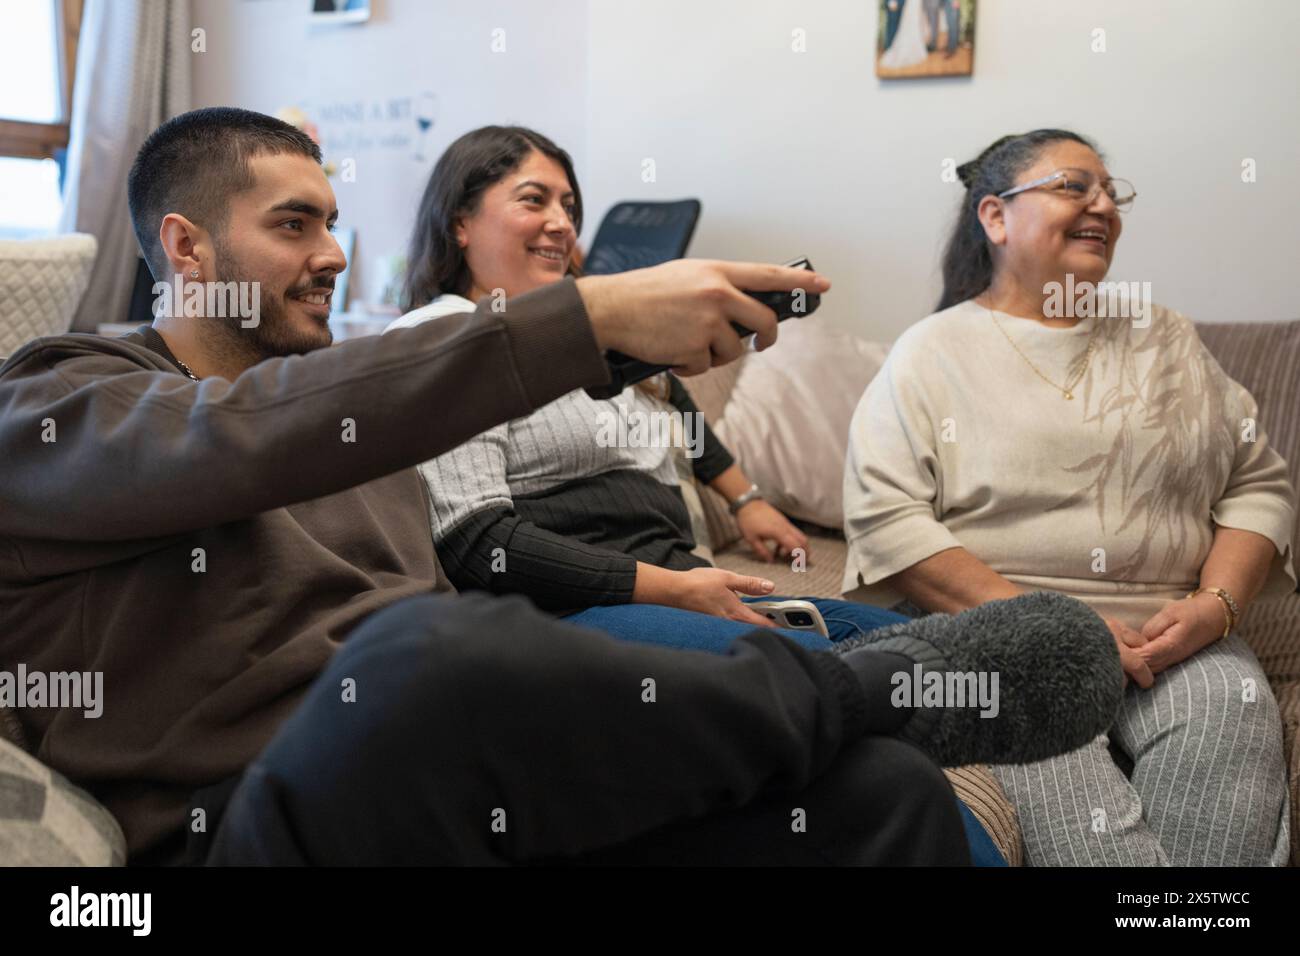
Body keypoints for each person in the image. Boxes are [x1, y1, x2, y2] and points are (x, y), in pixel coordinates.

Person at [0, 108, 1121, 866]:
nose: (336, 254)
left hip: (474, 805)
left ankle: (864, 712)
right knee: (416, 664)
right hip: (254, 828)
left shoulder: (352, 434)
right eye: (294, 224)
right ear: (187, 248)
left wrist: (635, 354)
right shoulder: (56, 402)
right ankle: (868, 686)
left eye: (334, 221)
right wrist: (585, 318)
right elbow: (230, 441)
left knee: (879, 795)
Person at [390, 124, 1011, 865]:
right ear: (460, 221)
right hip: (569, 611)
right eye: (534, 200)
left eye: (569, 202)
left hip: (672, 573)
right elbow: (476, 544)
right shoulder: (444, 338)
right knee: (862, 716)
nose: (562, 221)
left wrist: (745, 498)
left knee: (927, 660)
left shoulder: (584, 329)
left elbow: (676, 407)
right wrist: (672, 589)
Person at [841, 128, 1296, 866]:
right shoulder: (932, 351)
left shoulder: (1167, 338)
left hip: (1174, 634)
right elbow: (886, 516)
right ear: (995, 216)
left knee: (1231, 715)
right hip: (1008, 636)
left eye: (1112, 192)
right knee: (1057, 775)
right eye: (1073, 186)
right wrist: (1049, 625)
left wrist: (1217, 607)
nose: (1103, 205)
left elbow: (1258, 481)